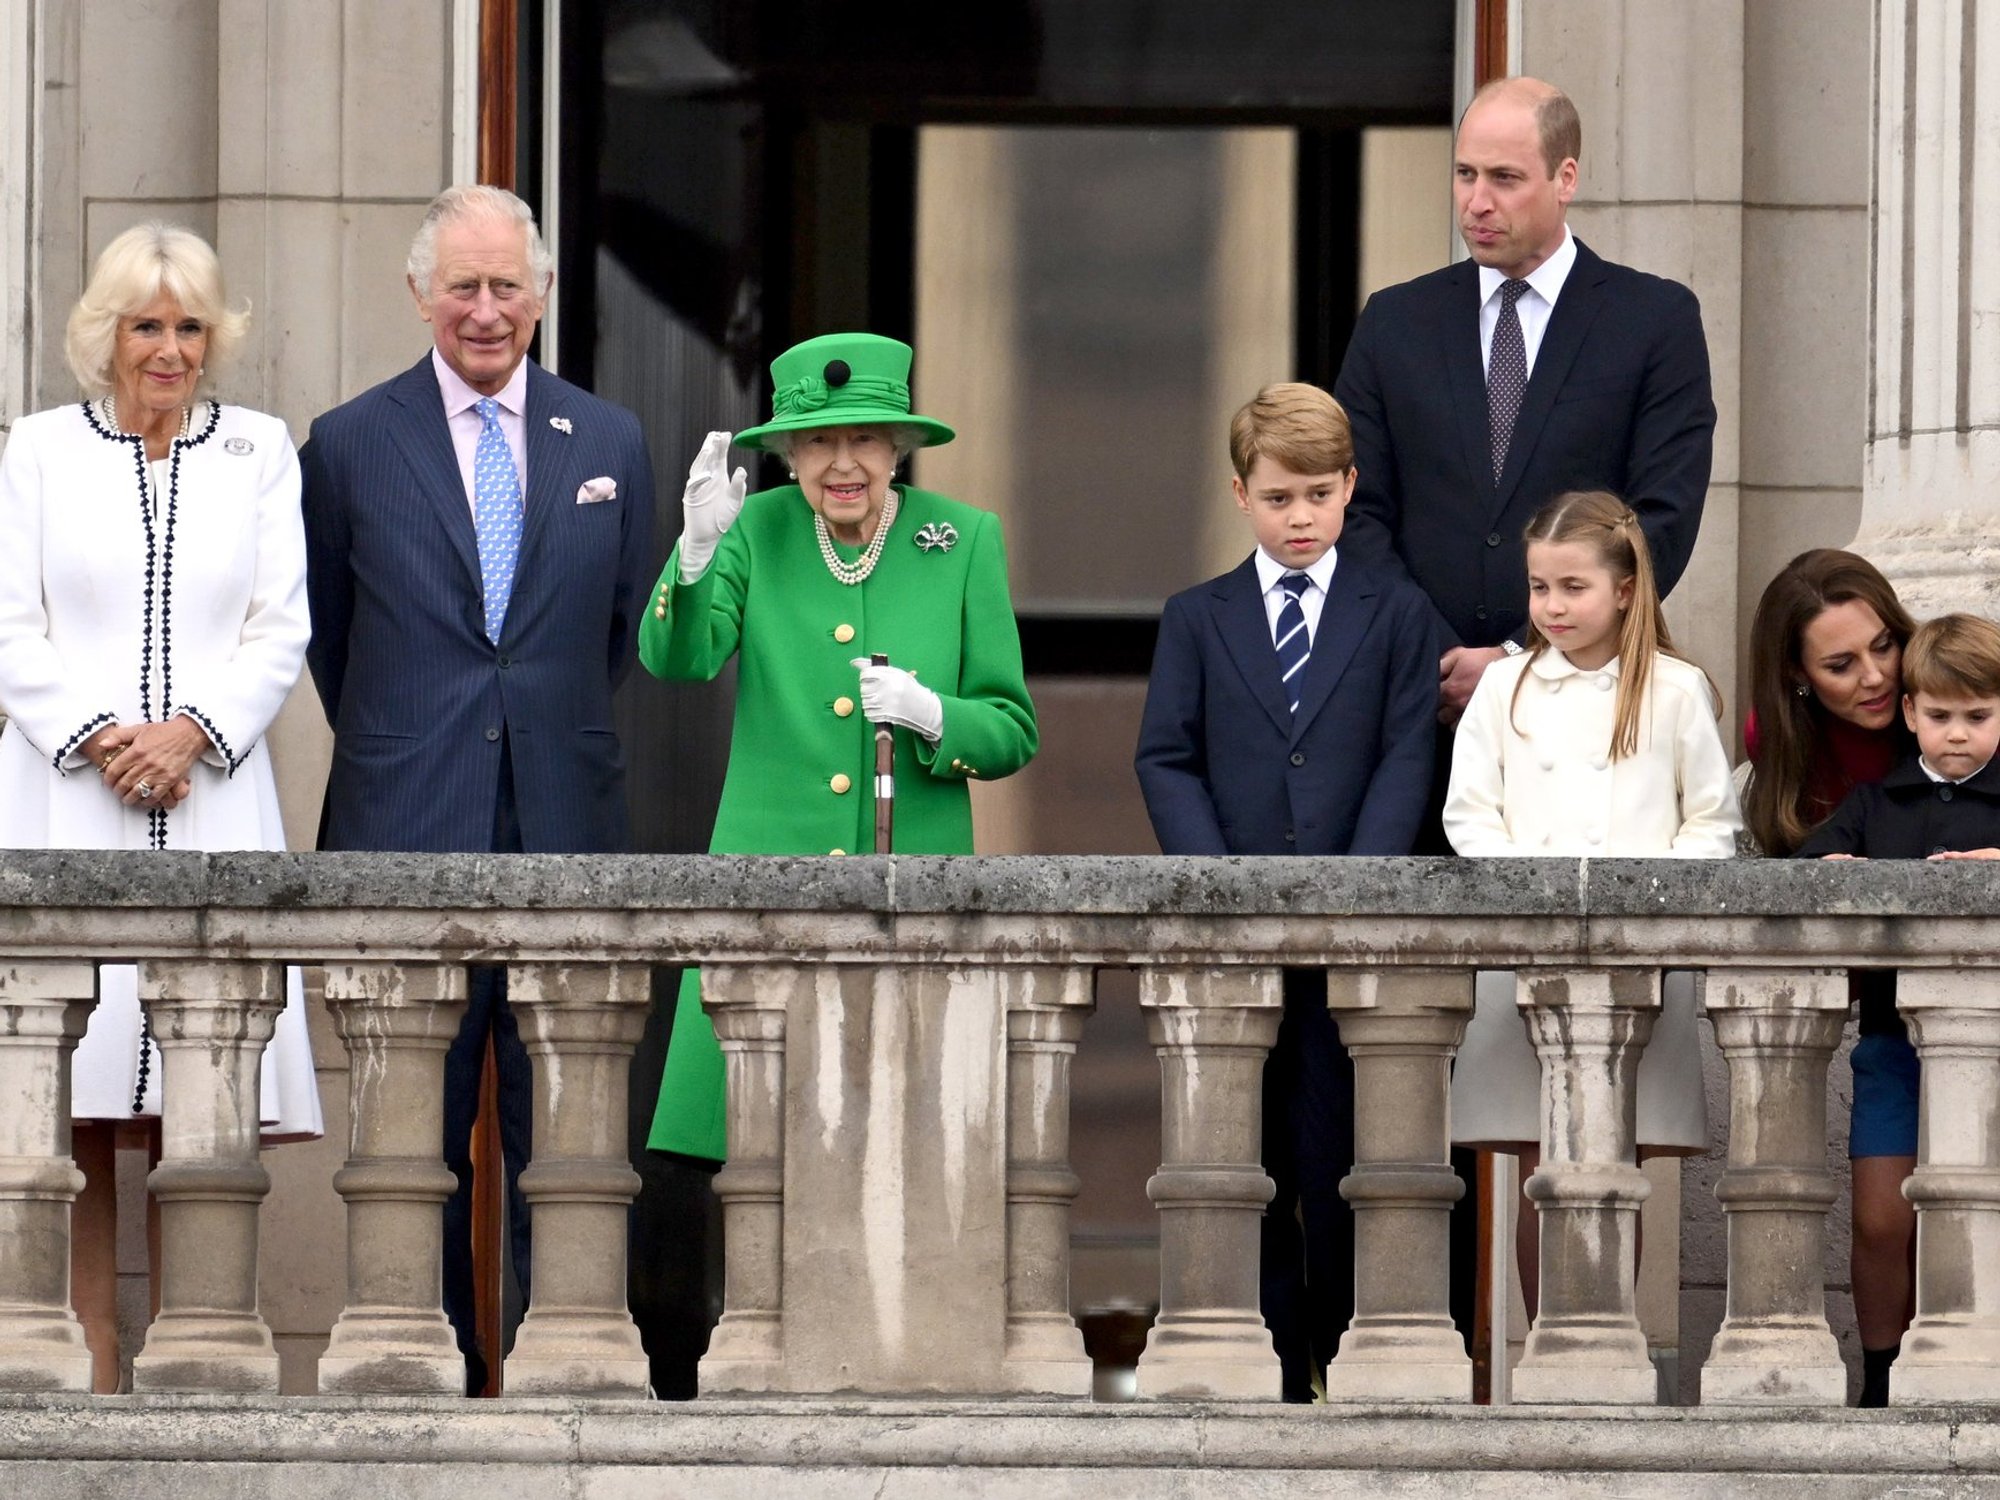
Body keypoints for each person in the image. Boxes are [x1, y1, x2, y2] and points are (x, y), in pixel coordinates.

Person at [300, 185, 656, 1392]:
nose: (487, 310)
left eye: (508, 286)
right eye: (464, 286)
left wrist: (528, 724)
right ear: (421, 294)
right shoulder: (348, 442)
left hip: (566, 822)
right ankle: (434, 1381)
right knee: (414, 1146)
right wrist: (426, 738)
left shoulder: (609, 441)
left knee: (563, 1136)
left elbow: (613, 633)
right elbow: (332, 639)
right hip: (406, 820)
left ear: (542, 295)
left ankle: (562, 1379)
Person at [0, 222, 321, 1391]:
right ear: (108, 333)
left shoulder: (258, 449)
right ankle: (88, 1370)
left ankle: (196, 1366)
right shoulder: (40, 451)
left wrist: (193, 732)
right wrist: (102, 737)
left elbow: (279, 625)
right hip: (67, 802)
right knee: (74, 1106)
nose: (171, 349)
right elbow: (10, 626)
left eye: (190, 326)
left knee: (200, 1100)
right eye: (148, 325)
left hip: (211, 797)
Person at [642, 332, 1036, 1162]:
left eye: (864, 438)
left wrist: (933, 715)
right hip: (769, 884)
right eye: (819, 441)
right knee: (763, 1150)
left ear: (898, 448)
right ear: (790, 456)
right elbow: (679, 660)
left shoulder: (962, 538)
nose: (843, 462)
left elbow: (1011, 728)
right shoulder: (756, 528)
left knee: (905, 1152)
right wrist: (696, 555)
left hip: (912, 895)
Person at [1134, 382, 1438, 1401]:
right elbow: (1166, 757)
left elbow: (1406, 752)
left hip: (1351, 950)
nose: (1298, 517)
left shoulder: (1397, 612)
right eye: (1276, 498)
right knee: (1242, 1165)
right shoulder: (1196, 616)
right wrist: (1224, 888)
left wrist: (1358, 888)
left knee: (1343, 1165)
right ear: (1239, 495)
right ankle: (1267, 1378)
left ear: (1349, 486)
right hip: (1234, 946)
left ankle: (1350, 1365)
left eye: (1316, 494)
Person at [1335, 75, 1714, 809]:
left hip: (1587, 721)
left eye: (1504, 179)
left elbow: (1662, 516)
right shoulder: (1394, 322)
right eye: (1465, 174)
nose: (1477, 201)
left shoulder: (1653, 321)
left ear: (1565, 178)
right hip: (1415, 715)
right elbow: (1356, 507)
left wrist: (1520, 656)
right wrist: (1434, 653)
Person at [1443, 491, 1738, 1317]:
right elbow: (1470, 817)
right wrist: (1533, 902)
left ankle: (1607, 1341)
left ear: (1624, 588)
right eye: (1540, 587)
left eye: (1573, 586)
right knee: (1539, 1169)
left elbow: (1711, 824)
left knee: (1614, 1169)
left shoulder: (1677, 689)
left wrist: (1642, 911)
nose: (1552, 606)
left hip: (1640, 964)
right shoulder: (1503, 688)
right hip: (1522, 957)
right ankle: (1548, 1347)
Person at [1796, 611, 2000, 1403]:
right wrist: (1836, 869)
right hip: (1891, 1043)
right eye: (1941, 715)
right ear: (1910, 711)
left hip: (1993, 1047)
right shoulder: (1875, 801)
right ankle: (1880, 1376)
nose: (1958, 735)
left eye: (1978, 715)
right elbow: (1806, 864)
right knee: (1882, 1220)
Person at [1739, 547, 1916, 1406]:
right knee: (1882, 1216)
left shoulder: (1948, 699)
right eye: (1842, 665)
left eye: (1884, 646)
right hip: (1881, 1009)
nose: (1876, 677)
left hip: (1956, 994)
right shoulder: (1778, 748)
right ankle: (1880, 1386)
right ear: (1797, 677)